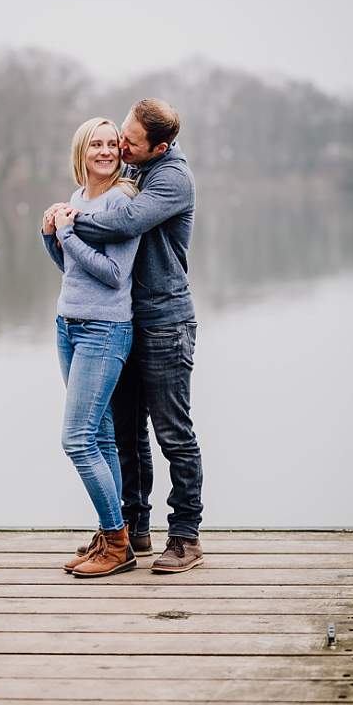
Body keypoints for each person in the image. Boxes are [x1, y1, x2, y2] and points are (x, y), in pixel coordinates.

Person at [62, 99, 204, 574]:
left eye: (129, 141)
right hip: (123, 319)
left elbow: (122, 222)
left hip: (165, 320)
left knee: (172, 434)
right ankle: (132, 529)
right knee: (125, 433)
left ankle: (185, 536)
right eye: (120, 134)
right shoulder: (135, 167)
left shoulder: (171, 178)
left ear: (159, 146)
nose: (121, 145)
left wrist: (67, 221)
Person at [41, 118, 141, 578]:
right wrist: (51, 236)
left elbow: (113, 274)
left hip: (105, 330)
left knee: (76, 439)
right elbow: (72, 268)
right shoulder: (80, 199)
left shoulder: (122, 201)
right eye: (95, 144)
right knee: (98, 436)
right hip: (69, 325)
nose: (105, 151)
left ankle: (118, 543)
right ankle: (109, 534)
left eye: (110, 144)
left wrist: (67, 233)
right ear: (80, 152)